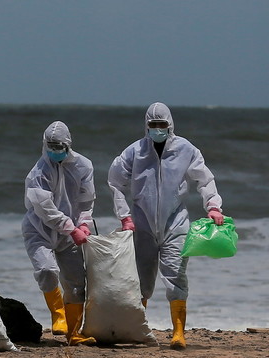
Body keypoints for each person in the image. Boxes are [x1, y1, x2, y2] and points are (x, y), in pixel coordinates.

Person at [108, 102, 224, 350]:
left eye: (162, 125)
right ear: (146, 126)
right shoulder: (135, 151)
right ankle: (138, 329)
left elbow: (204, 179)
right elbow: (115, 182)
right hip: (142, 224)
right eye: (153, 125)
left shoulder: (186, 149)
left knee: (176, 275)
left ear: (170, 125)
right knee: (140, 280)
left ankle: (178, 333)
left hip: (176, 223)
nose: (157, 129)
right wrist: (124, 216)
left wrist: (213, 206)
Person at [22, 121, 96, 346]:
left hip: (70, 233)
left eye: (59, 146)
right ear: (44, 145)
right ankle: (58, 314)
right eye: (50, 145)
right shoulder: (38, 172)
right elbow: (45, 209)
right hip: (39, 230)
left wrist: (84, 223)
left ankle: (74, 333)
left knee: (76, 283)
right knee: (46, 270)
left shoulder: (83, 166)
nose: (54, 150)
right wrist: (71, 228)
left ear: (68, 144)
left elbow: (87, 199)